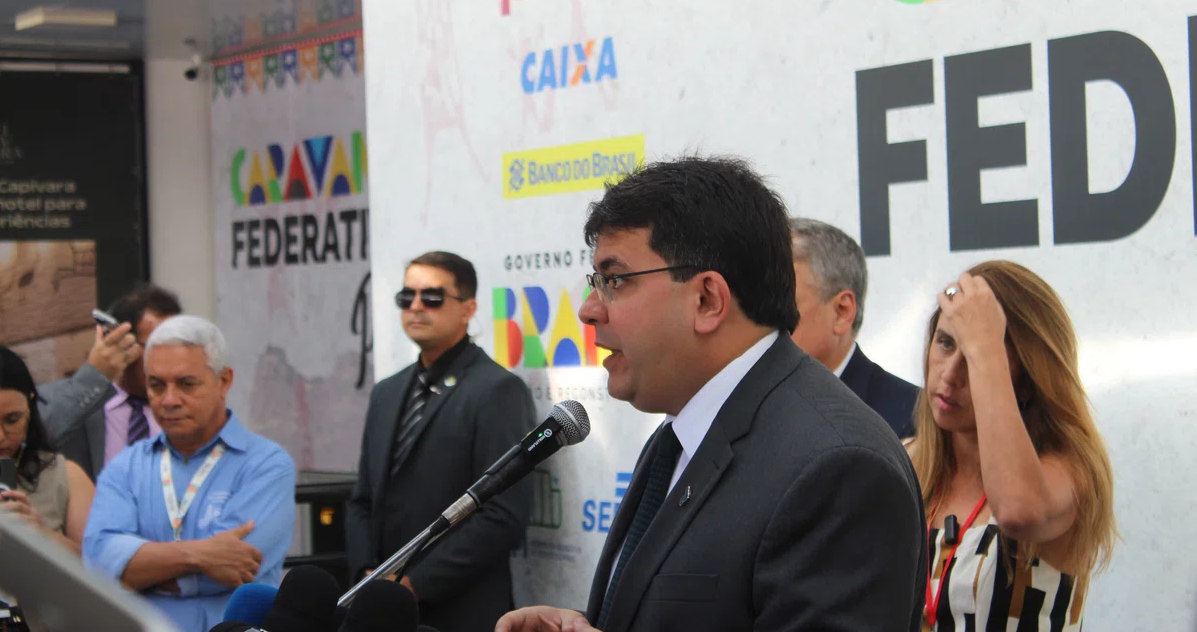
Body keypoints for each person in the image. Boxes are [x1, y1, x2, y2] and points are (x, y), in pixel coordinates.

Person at [498, 156, 926, 632]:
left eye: (614, 280)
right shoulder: (681, 432)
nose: (589, 309)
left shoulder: (838, 468)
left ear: (707, 300)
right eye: (596, 282)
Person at [909, 261, 1116, 630]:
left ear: (1027, 382)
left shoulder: (1069, 472)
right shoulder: (902, 460)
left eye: (973, 359)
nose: (950, 374)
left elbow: (1018, 510)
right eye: (945, 343)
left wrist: (985, 347)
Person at [346, 251, 535, 632]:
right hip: (384, 610)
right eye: (406, 297)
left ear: (468, 309)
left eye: (431, 297)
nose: (416, 307)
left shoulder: (497, 391)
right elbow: (363, 499)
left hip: (462, 610)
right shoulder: (387, 392)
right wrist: (370, 572)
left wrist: (415, 583)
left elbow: (503, 515)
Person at [82, 315, 296, 632]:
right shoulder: (126, 467)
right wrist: (201, 556)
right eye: (156, 385)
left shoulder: (267, 464)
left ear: (224, 381)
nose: (169, 400)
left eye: (186, 384)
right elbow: (99, 562)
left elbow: (240, 566)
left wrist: (139, 570)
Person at [0, 346, 97, 632]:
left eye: (12, 420)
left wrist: (43, 536)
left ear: (30, 406)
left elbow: (102, 577)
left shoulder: (63, 474)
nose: (0, 435)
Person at [789, 217, 919, 437]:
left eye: (781, 303)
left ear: (842, 311)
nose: (758, 321)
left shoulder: (913, 418)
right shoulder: (742, 404)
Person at [39, 283, 182, 480]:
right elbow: (31, 438)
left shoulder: (185, 405)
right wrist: (95, 375)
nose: (172, 359)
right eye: (158, 346)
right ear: (121, 342)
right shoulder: (78, 400)